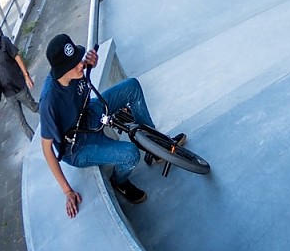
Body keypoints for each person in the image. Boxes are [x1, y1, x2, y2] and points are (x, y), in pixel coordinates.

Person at [38, 34, 184, 217]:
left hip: (89, 114)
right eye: (74, 64)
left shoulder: (76, 70)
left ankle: (154, 146)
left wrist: (91, 63)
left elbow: (83, 74)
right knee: (131, 154)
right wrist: (67, 191)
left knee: (132, 86)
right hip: (77, 146)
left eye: (78, 59)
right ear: (62, 72)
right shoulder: (49, 102)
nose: (80, 64)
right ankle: (120, 182)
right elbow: (46, 149)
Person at [0, 22, 39, 139]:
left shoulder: (3, 41)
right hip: (8, 93)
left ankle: (53, 120)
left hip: (19, 86)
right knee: (21, 122)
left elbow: (17, 56)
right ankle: (33, 140)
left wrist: (26, 75)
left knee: (34, 107)